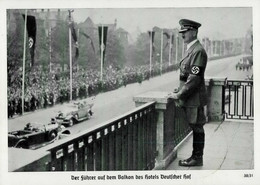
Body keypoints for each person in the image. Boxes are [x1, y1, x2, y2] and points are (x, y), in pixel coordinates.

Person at [169, 19, 208, 167]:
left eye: (184, 32)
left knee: (197, 127)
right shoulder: (192, 50)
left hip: (194, 99)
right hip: (191, 97)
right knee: (195, 127)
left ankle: (197, 158)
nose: (182, 35)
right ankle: (195, 156)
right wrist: (179, 89)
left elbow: (194, 79)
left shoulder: (198, 51)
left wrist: (179, 95)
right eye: (181, 32)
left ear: (193, 32)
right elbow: (186, 76)